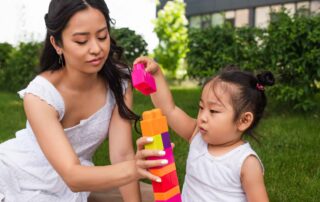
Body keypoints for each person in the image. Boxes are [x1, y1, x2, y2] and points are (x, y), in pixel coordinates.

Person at [0, 1, 166, 201]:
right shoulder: (40, 96)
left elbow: (122, 155)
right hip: (18, 174)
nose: (96, 48)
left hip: (76, 181)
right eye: (81, 41)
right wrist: (135, 168)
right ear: (57, 44)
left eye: (102, 36)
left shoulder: (119, 83)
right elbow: (72, 175)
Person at [134, 56, 275, 202]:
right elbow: (169, 109)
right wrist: (156, 74)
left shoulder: (246, 162)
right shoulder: (196, 134)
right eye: (201, 107)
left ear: (244, 121)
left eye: (213, 111)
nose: (202, 117)